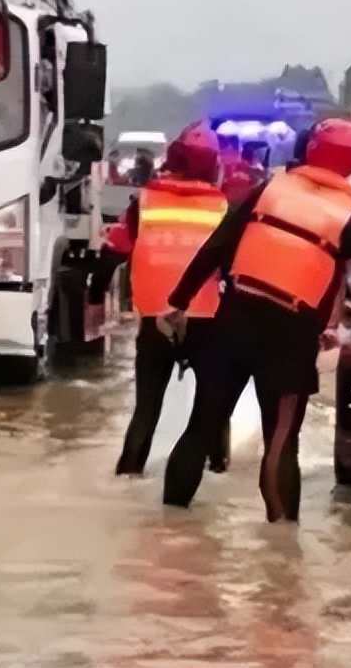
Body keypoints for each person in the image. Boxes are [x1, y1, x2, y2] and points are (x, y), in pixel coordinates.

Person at [160, 117, 351, 523]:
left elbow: (216, 245)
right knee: (282, 445)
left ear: (308, 152)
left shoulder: (269, 189)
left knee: (200, 427)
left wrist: (177, 302)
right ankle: (284, 556)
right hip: (289, 336)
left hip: (235, 316)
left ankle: (166, 530)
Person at [108, 123, 232, 476]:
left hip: (155, 319)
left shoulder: (144, 200)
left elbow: (122, 247)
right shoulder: (223, 206)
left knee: (146, 408)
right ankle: (217, 470)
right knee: (213, 408)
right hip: (207, 319)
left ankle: (129, 474)